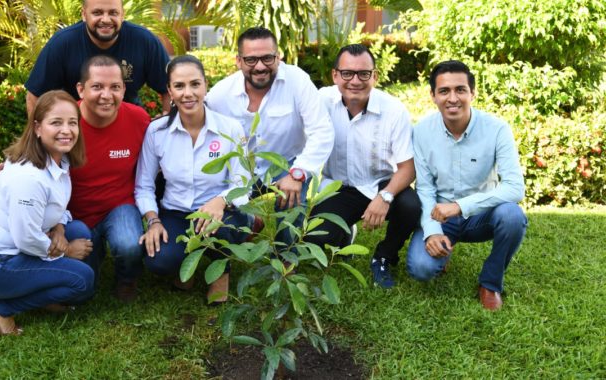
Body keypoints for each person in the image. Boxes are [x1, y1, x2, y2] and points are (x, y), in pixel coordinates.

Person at [0, 55, 151, 303]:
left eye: (115, 87)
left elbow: (162, 151)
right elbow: (34, 151)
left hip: (119, 206)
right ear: (80, 89)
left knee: (128, 243)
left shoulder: (139, 119)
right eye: (97, 87)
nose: (106, 95)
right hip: (72, 213)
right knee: (85, 284)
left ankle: (127, 279)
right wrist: (2, 168)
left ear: (124, 89)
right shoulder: (67, 122)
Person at [0, 90, 94, 335]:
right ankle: (0, 307)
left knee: (79, 231)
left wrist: (60, 229)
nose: (66, 130)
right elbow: (26, 238)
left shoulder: (57, 159)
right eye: (56, 122)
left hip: (13, 249)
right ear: (37, 128)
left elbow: (55, 209)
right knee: (83, 280)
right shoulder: (29, 178)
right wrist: (64, 251)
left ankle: (43, 292)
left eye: (72, 123)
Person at [407, 60, 528, 310]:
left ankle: (490, 284)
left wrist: (459, 206)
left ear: (473, 92)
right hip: (439, 217)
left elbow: (515, 188)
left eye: (460, 90)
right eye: (444, 91)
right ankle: (442, 251)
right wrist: (432, 231)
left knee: (512, 216)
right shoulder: (421, 132)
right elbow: (425, 188)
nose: (453, 98)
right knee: (421, 268)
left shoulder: (497, 129)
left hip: (482, 215)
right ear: (433, 96)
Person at [135, 55, 253, 304]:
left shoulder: (229, 128)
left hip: (220, 212)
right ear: (169, 91)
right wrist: (153, 221)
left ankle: (221, 271)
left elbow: (243, 182)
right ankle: (187, 259)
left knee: (223, 230)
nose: (188, 93)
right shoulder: (157, 132)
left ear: (205, 85)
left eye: (194, 84)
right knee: (159, 260)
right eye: (179, 86)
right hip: (176, 212)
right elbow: (144, 186)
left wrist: (219, 202)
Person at [305, 44, 421, 289]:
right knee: (315, 237)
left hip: (381, 182)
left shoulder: (394, 110)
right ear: (335, 75)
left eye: (363, 74)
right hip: (339, 186)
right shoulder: (320, 101)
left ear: (375, 76)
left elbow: (408, 168)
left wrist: (385, 196)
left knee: (411, 206)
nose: (355, 81)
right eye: (347, 73)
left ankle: (384, 257)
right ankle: (345, 233)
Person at [205, 27, 333, 247]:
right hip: (243, 167)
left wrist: (298, 173)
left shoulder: (297, 81)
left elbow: (321, 131)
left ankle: (286, 256)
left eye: (267, 58)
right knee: (222, 208)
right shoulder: (220, 95)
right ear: (238, 61)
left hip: (287, 164)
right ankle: (250, 222)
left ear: (278, 56)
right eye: (251, 59)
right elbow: (197, 118)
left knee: (290, 206)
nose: (260, 66)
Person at [24, 0, 170, 115]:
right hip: (76, 128)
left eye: (113, 13)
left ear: (122, 15)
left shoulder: (144, 41)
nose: (106, 19)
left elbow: (170, 88)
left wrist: (168, 123)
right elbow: (35, 96)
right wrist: (40, 140)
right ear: (84, 14)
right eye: (97, 12)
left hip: (128, 125)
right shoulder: (63, 44)